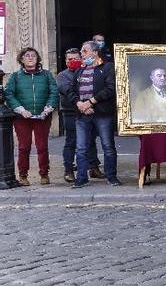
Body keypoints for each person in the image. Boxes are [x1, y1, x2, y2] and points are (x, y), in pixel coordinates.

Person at [68, 41, 119, 187]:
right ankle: (81, 178)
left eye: (84, 51)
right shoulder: (80, 70)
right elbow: (71, 91)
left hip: (102, 113)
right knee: (81, 147)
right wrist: (80, 104)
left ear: (95, 52)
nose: (82, 54)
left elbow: (110, 89)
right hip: (82, 113)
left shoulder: (107, 67)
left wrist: (90, 102)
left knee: (108, 145)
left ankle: (111, 176)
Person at [5, 47, 59, 185]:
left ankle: (44, 174)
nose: (30, 58)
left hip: (42, 116)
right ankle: (23, 175)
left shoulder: (46, 75)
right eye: (27, 55)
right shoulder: (15, 76)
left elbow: (54, 93)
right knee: (24, 147)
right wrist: (21, 110)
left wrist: (48, 109)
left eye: (33, 55)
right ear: (21, 59)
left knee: (42, 146)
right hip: (22, 118)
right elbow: (9, 94)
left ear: (37, 58)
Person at [57, 48, 96, 184]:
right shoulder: (62, 75)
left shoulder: (88, 72)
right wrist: (82, 106)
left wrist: (88, 105)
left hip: (88, 110)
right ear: (66, 61)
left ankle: (93, 167)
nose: (73, 61)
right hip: (70, 112)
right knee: (71, 141)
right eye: (70, 59)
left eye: (75, 59)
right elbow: (67, 92)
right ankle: (69, 170)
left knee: (90, 140)